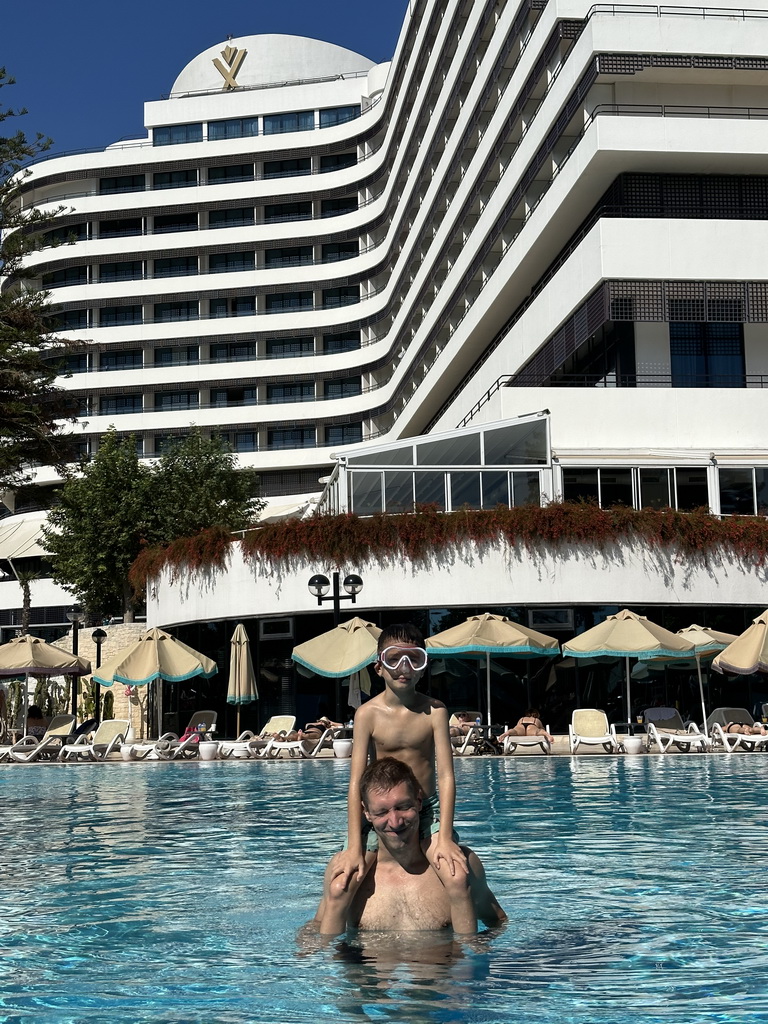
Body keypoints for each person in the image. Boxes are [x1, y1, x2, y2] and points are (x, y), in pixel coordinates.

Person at [333, 623, 466, 891]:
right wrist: (354, 846)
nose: (404, 667)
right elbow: (356, 783)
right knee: (343, 885)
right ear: (379, 667)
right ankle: (322, 929)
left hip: (428, 809)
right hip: (382, 811)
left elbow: (447, 776)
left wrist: (446, 837)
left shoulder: (435, 711)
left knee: (456, 878)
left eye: (413, 659)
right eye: (394, 658)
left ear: (423, 667)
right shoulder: (367, 714)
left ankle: (465, 936)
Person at [312, 757, 506, 935]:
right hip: (368, 970)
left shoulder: (461, 865)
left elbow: (499, 924)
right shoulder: (344, 873)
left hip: (440, 969)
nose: (395, 822)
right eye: (381, 812)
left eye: (403, 807)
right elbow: (316, 936)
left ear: (419, 802)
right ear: (367, 813)